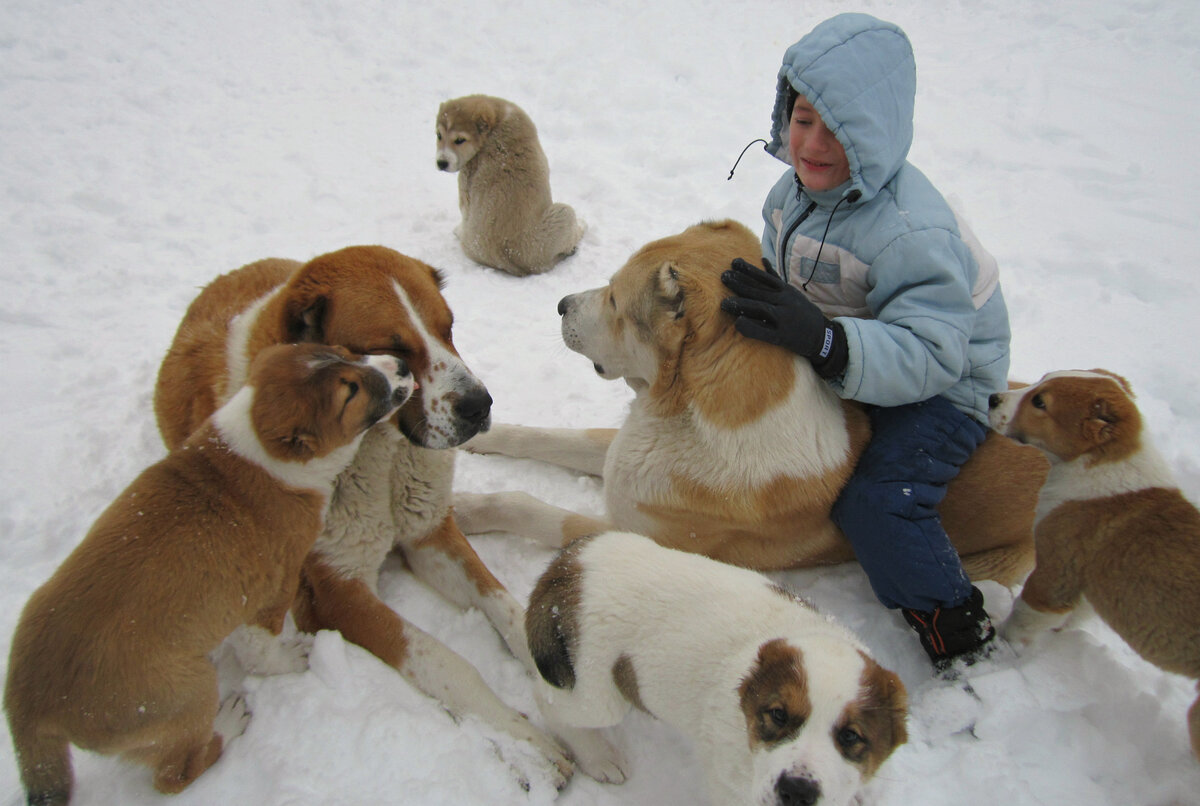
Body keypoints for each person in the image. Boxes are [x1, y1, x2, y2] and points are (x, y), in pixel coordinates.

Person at [721, 12, 1011, 675]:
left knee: (876, 503)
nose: (813, 144)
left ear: (876, 135)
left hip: (947, 385)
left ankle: (957, 628)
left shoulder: (911, 232)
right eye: (802, 119)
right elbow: (783, 273)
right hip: (850, 350)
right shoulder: (788, 195)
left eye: (838, 129)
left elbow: (933, 353)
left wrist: (825, 344)